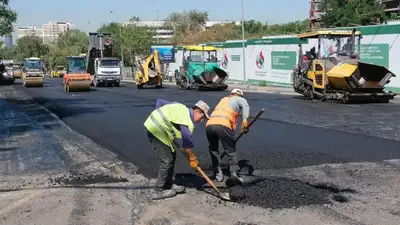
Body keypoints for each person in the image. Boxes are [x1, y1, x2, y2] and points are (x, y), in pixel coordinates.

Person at [144, 98, 211, 200]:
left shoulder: (180, 106)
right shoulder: (186, 121)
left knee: (172, 156)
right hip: (156, 131)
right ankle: (158, 190)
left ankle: (168, 185)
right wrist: (192, 159)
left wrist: (162, 118)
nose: (201, 121)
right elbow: (187, 145)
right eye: (202, 117)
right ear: (196, 111)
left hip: (161, 131)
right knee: (167, 160)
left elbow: (160, 101)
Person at [205, 88, 250, 182]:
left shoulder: (223, 99)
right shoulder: (240, 99)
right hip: (223, 125)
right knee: (231, 151)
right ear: (240, 95)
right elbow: (245, 107)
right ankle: (234, 174)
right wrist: (245, 121)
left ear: (231, 94)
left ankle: (218, 173)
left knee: (213, 149)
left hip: (209, 125)